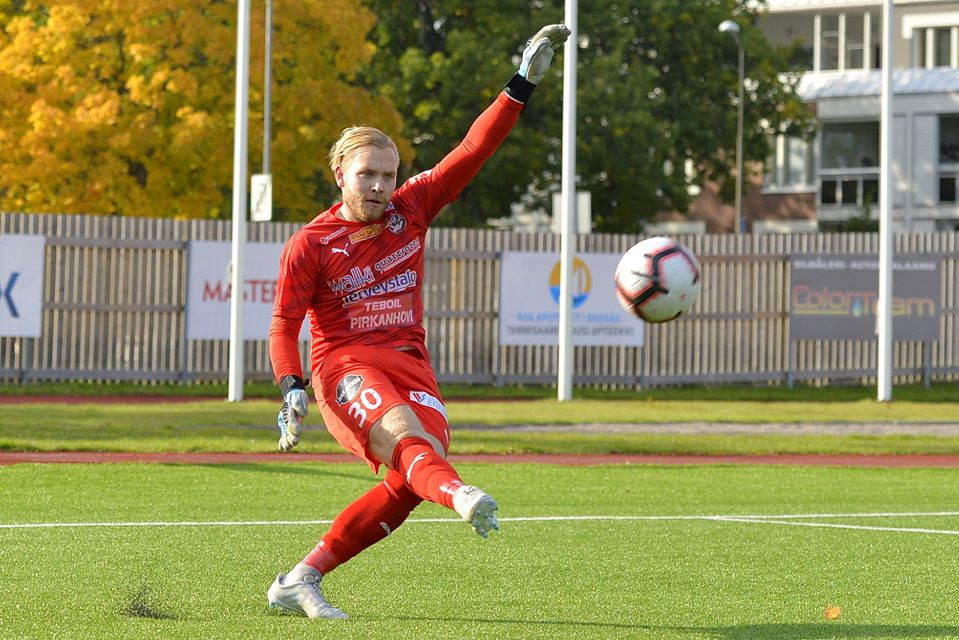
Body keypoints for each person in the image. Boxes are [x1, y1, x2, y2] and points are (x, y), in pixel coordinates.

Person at [265, 24, 571, 620]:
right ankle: (460, 494)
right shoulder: (311, 243)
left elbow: (472, 151)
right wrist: (290, 384)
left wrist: (521, 84)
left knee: (412, 477)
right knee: (408, 438)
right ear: (340, 174)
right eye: (367, 174)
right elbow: (283, 324)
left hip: (411, 364)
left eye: (388, 174)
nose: (381, 186)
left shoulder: (413, 208)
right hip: (343, 366)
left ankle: (300, 579)